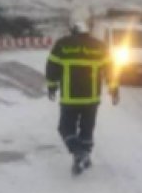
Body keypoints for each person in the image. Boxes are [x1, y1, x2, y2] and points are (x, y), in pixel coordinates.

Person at [46, 9, 120, 175]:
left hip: (70, 98)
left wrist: (51, 86)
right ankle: (84, 154)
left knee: (65, 128)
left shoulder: (62, 45)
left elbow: (52, 67)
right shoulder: (100, 46)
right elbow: (111, 69)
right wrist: (113, 89)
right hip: (91, 98)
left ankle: (78, 152)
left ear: (73, 31)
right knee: (87, 129)